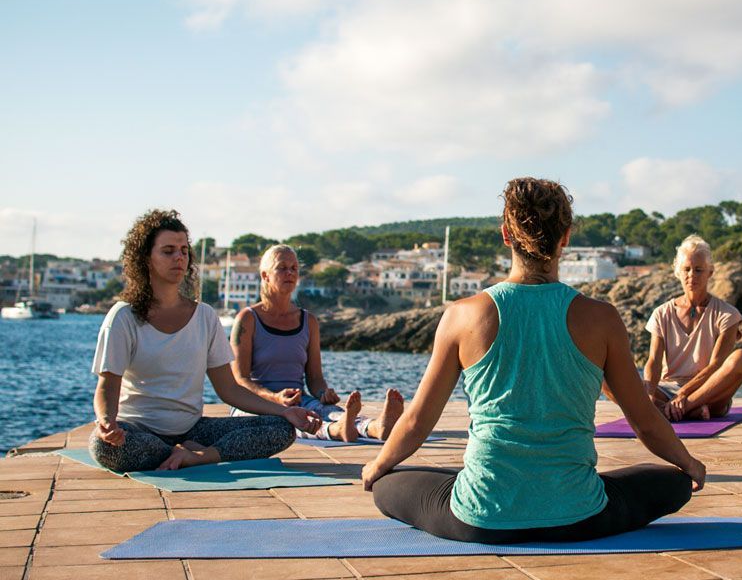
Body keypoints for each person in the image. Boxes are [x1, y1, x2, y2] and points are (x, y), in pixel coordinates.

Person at [362, 177, 706, 544]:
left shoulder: (462, 315)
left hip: (482, 518)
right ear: (566, 237)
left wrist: (377, 465)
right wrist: (689, 464)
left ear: (505, 234)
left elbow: (418, 421)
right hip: (581, 517)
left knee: (386, 485)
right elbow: (645, 422)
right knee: (675, 483)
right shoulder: (601, 318)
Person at [89, 210, 322, 472]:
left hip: (193, 430)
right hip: (139, 430)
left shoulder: (205, 316)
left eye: (183, 251)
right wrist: (107, 422)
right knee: (102, 446)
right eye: (168, 251)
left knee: (281, 429)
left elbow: (229, 389)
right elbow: (108, 385)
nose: (179, 257)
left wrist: (283, 411)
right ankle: (182, 454)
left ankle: (199, 457)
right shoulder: (124, 316)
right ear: (146, 259)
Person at [230, 244, 404, 442]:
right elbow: (240, 380)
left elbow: (315, 378)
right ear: (265, 276)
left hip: (299, 400)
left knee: (331, 411)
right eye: (282, 268)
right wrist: (275, 397)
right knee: (285, 423)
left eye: (294, 268)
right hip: (254, 404)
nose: (289, 273)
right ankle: (336, 431)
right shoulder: (247, 319)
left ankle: (376, 427)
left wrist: (323, 393)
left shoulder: (308, 321)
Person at [642, 235, 742, 422]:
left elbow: (716, 365)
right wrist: (648, 395)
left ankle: (678, 408)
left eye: (698, 270)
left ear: (710, 272)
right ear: (678, 272)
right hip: (666, 390)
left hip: (709, 391)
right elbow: (653, 361)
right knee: (607, 378)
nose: (691, 275)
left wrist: (683, 394)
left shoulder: (727, 314)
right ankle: (685, 410)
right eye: (686, 269)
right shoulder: (661, 313)